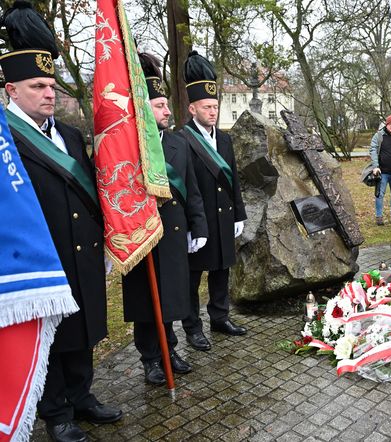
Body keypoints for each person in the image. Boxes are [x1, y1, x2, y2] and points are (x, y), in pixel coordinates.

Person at [0, 3, 122, 441]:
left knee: (85, 326)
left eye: (52, 85)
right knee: (49, 335)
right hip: (38, 256)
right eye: (38, 86)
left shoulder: (69, 134)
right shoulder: (4, 140)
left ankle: (82, 395)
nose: (49, 93)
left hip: (82, 250)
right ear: (12, 89)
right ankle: (56, 413)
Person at [121, 52, 208, 385]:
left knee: (172, 295)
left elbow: (193, 189)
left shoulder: (177, 143)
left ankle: (170, 349)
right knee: (146, 300)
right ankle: (151, 359)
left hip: (173, 231)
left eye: (167, 105)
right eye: (159, 106)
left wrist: (198, 225)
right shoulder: (128, 146)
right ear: (144, 109)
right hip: (140, 232)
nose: (168, 111)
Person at [180, 51, 248, 351]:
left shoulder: (225, 139)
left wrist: (238, 214)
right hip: (199, 221)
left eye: (215, 106)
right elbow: (182, 186)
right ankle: (193, 328)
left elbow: (233, 177)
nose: (212, 112)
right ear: (192, 107)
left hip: (223, 217)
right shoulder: (181, 139)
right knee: (192, 280)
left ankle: (220, 318)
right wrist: (190, 227)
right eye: (206, 107)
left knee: (222, 271)